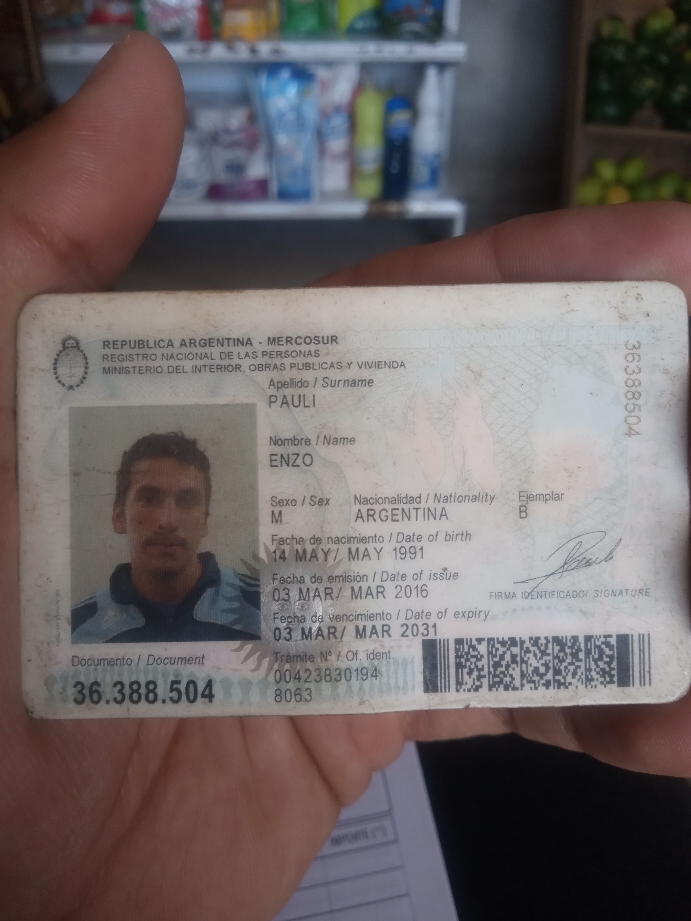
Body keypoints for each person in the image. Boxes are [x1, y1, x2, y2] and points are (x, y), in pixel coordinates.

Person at [1, 31, 690, 921]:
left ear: (211, 515)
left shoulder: (250, 621)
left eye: (185, 498)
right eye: (148, 496)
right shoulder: (70, 634)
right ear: (115, 511)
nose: (166, 516)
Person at [71, 432, 261, 643]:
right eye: (149, 499)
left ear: (205, 520)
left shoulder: (264, 607)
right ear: (119, 518)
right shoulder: (76, 631)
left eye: (187, 501)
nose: (168, 521)